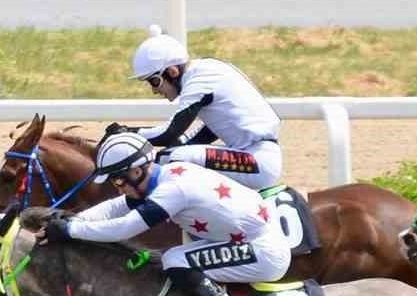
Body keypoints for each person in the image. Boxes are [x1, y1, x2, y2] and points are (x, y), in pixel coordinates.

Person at [44, 130, 291, 296]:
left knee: (175, 259)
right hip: (248, 238)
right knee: (173, 256)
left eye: (118, 181)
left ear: (137, 172)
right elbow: (117, 207)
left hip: (262, 251)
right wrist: (75, 219)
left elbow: (124, 228)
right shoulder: (166, 174)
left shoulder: (172, 190)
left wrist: (70, 231)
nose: (118, 187)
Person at [103, 25, 284, 190]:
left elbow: (168, 133)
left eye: (154, 81)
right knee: (172, 153)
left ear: (172, 71)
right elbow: (209, 132)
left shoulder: (199, 81)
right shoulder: (205, 70)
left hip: (256, 161)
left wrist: (127, 133)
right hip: (256, 157)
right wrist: (180, 143)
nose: (154, 90)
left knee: (166, 158)